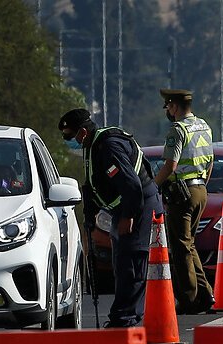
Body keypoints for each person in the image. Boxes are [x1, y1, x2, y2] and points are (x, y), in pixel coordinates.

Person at [59, 108, 163, 328]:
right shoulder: (92, 146)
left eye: (70, 136)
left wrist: (128, 217)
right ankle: (121, 315)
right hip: (124, 207)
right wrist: (89, 215)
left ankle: (126, 318)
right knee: (121, 262)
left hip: (139, 206)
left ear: (83, 132)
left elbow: (132, 185)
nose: (69, 142)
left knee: (132, 262)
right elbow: (92, 185)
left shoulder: (108, 147)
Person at [152, 89, 214, 314]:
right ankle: (206, 294)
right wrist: (201, 185)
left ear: (174, 106)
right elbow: (210, 161)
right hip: (200, 190)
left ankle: (189, 299)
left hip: (182, 193)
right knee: (189, 244)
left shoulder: (177, 130)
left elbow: (170, 165)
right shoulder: (203, 126)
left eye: (168, 107)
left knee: (180, 248)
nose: (168, 111)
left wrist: (152, 186)